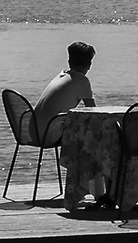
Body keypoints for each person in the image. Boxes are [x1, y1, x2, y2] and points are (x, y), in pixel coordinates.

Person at [33, 41, 99, 203]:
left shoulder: (61, 75)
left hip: (33, 131)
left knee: (85, 132)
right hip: (49, 134)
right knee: (96, 137)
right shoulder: (81, 81)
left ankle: (85, 186)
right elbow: (94, 112)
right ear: (89, 64)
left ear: (69, 61)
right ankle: (89, 188)